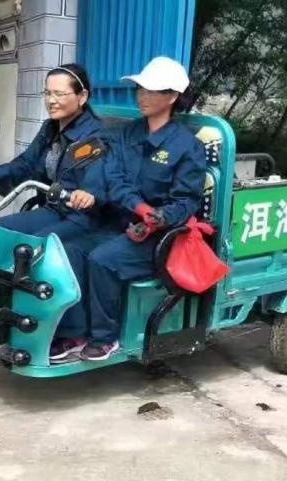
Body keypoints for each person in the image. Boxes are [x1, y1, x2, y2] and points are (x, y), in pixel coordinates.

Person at [51, 56, 207, 362]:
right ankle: (77, 332)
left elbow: (186, 201)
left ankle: (105, 338)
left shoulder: (187, 146)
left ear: (172, 97)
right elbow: (114, 177)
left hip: (157, 236)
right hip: (119, 223)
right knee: (70, 250)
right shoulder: (128, 133)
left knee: (102, 259)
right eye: (140, 89)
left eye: (151, 90)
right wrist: (139, 205)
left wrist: (158, 217)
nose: (142, 95)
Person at [0, 64, 105, 240]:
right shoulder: (50, 127)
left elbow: (97, 180)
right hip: (53, 209)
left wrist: (87, 194)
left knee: (34, 246)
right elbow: (27, 163)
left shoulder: (94, 135)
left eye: (59, 94)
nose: (51, 101)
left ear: (82, 97)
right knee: (0, 229)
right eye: (47, 93)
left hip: (81, 217)